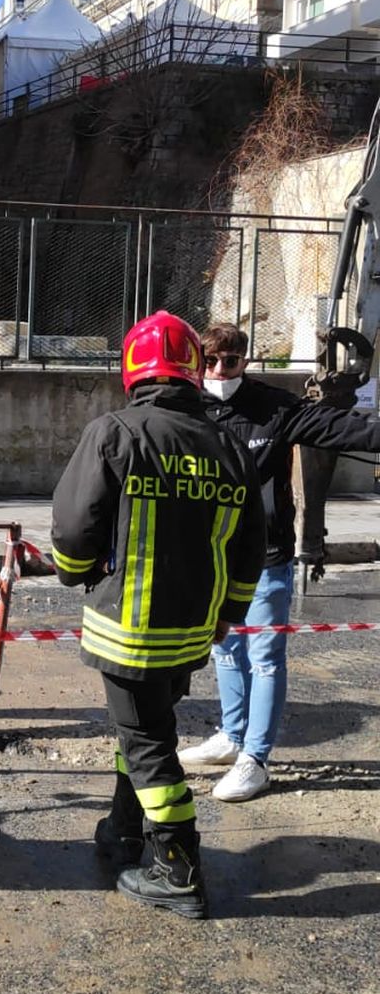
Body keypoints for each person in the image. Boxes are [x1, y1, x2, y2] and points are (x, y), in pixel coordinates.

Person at [51, 310, 265, 919]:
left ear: (133, 370)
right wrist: (229, 613)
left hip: (127, 631)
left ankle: (178, 867)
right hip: (194, 629)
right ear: (195, 371)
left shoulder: (115, 433)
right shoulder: (227, 443)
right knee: (145, 728)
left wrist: (74, 571)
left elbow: (72, 530)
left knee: (148, 743)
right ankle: (125, 828)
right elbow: (250, 546)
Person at [179, 322, 380, 801]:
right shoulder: (186, 409)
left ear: (245, 361)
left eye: (230, 361)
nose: (219, 370)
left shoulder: (273, 407)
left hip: (266, 556)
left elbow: (342, 428)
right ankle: (231, 736)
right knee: (225, 648)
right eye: (209, 362)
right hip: (210, 557)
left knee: (265, 656)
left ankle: (256, 758)